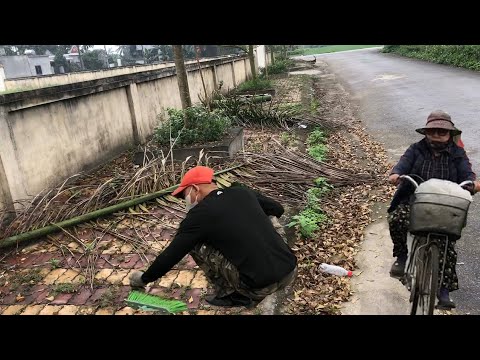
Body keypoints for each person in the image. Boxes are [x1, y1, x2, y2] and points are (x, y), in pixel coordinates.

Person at [129, 166, 298, 307]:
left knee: (193, 243)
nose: (185, 200)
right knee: (268, 216)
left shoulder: (199, 216)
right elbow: (278, 209)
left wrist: (144, 279)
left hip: (258, 287)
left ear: (195, 188)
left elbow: (172, 254)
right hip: (290, 270)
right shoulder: (242, 192)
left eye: (184, 195)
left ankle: (232, 294)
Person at [387, 110, 479, 310]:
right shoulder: (416, 149)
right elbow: (401, 165)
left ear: (450, 134)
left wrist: (472, 184)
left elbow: (467, 172)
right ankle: (401, 258)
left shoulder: (457, 153)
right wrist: (396, 174)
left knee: (446, 245)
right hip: (415, 200)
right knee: (397, 218)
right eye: (433, 131)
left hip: (445, 204)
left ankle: (443, 291)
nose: (437, 135)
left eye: (442, 132)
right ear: (426, 132)